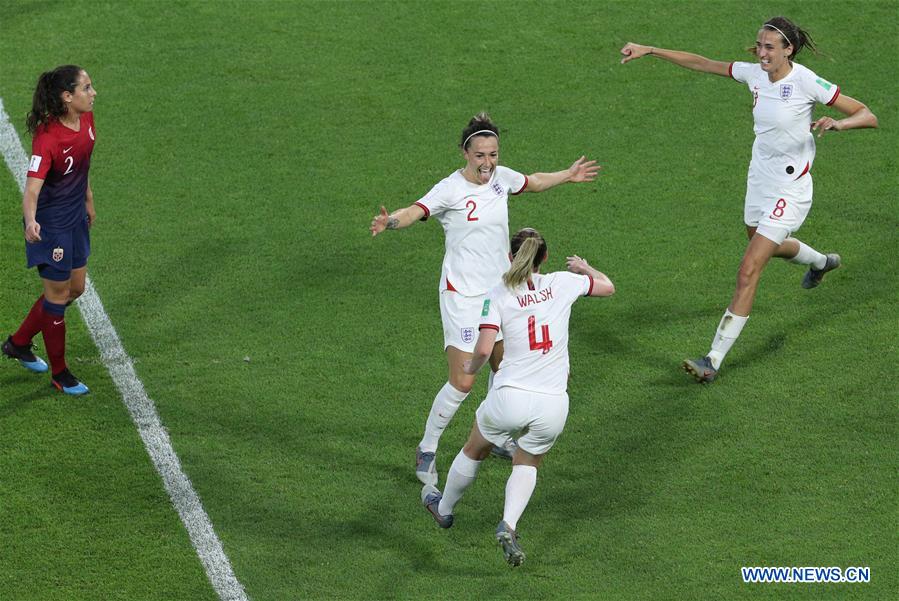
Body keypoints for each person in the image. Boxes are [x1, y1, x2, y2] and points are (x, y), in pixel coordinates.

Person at [619, 16, 878, 383]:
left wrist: (838, 124)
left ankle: (712, 359)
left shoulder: (806, 81)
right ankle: (821, 262)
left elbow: (867, 115)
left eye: (770, 47)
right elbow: (703, 63)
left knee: (749, 268)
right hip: (759, 181)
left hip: (791, 190)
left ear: (789, 49)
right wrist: (652, 50)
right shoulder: (754, 75)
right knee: (762, 244)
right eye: (759, 45)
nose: (761, 53)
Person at [370, 113, 600, 484]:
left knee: (507, 369)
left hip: (499, 295)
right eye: (480, 156)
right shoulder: (450, 189)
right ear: (465, 153)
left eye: (493, 154)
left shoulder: (501, 179)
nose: (488, 163)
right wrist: (391, 222)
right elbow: (415, 210)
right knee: (462, 382)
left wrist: (567, 175)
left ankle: (494, 437)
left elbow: (533, 182)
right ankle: (427, 447)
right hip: (462, 297)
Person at [419, 228, 615, 566]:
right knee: (528, 461)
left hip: (510, 398)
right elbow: (608, 286)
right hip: (554, 403)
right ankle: (508, 524)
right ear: (545, 258)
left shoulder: (498, 294)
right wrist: (585, 268)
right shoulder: (562, 283)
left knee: (474, 448)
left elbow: (483, 348)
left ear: (510, 257)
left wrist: (471, 364)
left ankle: (444, 509)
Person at [2, 65, 98, 395]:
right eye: (86, 88)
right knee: (57, 297)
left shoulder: (86, 119)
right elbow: (32, 189)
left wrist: (88, 198)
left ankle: (18, 343)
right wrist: (30, 221)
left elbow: (83, 165)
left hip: (75, 219)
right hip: (51, 226)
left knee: (76, 288)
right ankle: (60, 373)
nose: (93, 93)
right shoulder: (48, 138)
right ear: (67, 96)